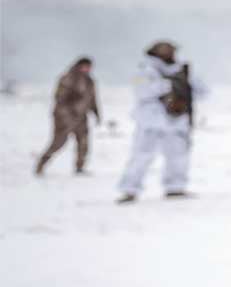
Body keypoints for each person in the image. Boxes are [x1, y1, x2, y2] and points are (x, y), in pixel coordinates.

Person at [116, 41, 201, 203]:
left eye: (172, 50)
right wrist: (168, 85)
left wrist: (187, 82)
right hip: (150, 122)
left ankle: (175, 188)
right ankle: (129, 190)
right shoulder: (143, 71)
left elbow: (203, 92)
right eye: (166, 51)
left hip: (176, 122)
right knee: (141, 156)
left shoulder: (182, 71)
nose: (170, 53)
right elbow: (141, 92)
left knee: (178, 157)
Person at [34, 56, 100, 175]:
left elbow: (92, 99)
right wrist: (69, 110)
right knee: (59, 143)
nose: (87, 69)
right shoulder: (68, 77)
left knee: (83, 143)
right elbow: (59, 97)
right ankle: (41, 163)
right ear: (79, 65)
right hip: (64, 117)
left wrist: (96, 113)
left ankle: (79, 167)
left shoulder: (89, 81)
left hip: (81, 117)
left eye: (89, 66)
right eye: (85, 66)